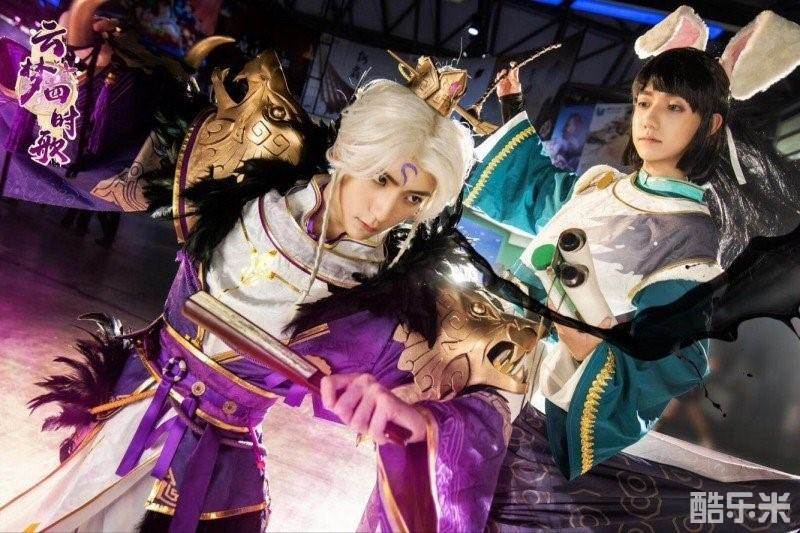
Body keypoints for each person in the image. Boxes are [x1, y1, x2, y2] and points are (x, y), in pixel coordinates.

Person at [0, 60, 522, 532]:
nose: (385, 211)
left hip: (212, 476)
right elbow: (83, 161)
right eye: (381, 178)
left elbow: (490, 397)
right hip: (126, 402)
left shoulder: (393, 312)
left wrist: (419, 422)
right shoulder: (240, 168)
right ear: (351, 151)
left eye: (414, 197)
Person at [466, 7, 800, 530]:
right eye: (645, 102)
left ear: (710, 125)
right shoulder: (601, 186)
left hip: (548, 418)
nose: (650, 118)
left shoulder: (690, 237)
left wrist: (589, 346)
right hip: (497, 381)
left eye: (674, 107)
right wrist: (509, 105)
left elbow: (675, 361)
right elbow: (539, 196)